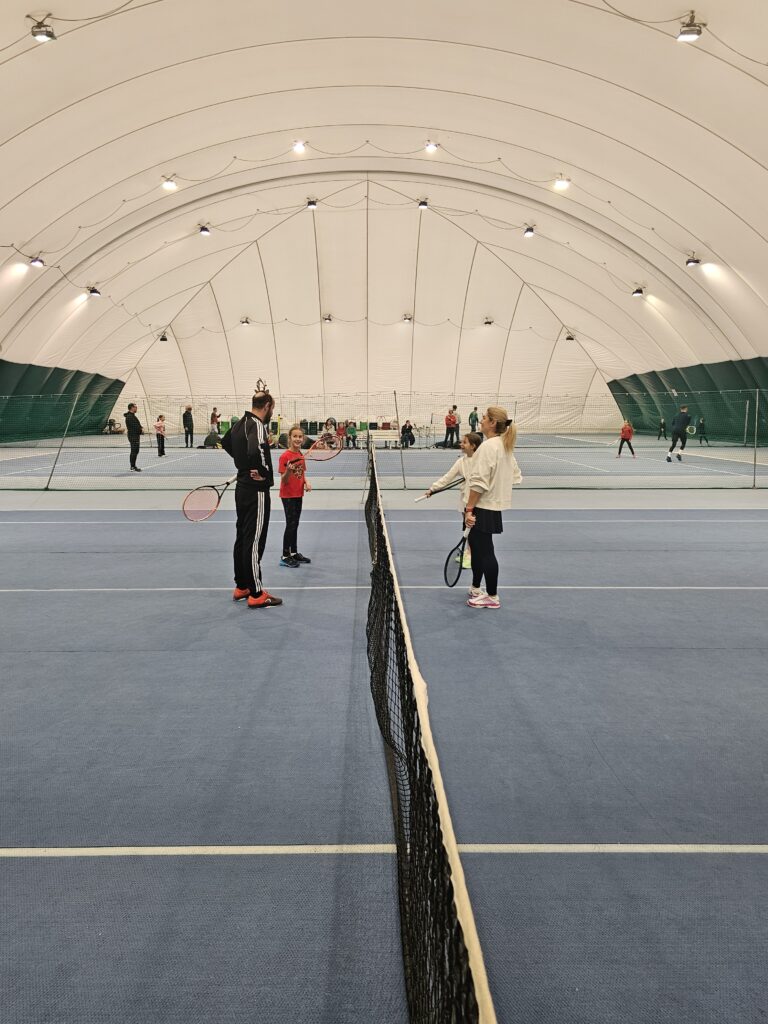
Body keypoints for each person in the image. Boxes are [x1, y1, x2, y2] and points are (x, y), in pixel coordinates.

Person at [221, 385, 282, 608]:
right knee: (254, 541)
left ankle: (242, 586)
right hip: (256, 491)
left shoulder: (239, 424)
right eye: (272, 408)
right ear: (267, 406)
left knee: (242, 537)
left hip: (242, 489)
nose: (272, 412)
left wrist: (244, 466)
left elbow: (225, 442)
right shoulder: (257, 425)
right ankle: (256, 593)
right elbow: (255, 450)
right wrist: (261, 472)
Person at [464, 407, 522, 609]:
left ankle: (492, 596)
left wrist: (469, 509)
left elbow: (479, 483)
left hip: (482, 506)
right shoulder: (504, 446)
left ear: (492, 423)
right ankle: (476, 588)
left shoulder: (488, 447)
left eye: (484, 418)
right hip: (491, 506)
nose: (481, 421)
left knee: (486, 552)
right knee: (477, 549)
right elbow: (516, 476)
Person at [424, 432, 483, 569]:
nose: (461, 444)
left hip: (478, 500)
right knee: (467, 528)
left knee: (475, 530)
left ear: (473, 446)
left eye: (464, 442)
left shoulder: (482, 461)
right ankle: (469, 552)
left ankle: (473, 555)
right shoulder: (461, 462)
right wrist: (433, 489)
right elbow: (447, 477)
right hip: (464, 500)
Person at [278, 425, 313, 568]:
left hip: (298, 493)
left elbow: (302, 473)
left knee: (295, 523)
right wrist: (287, 471)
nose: (298, 439)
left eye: (300, 437)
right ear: (290, 438)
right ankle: (285, 556)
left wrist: (306, 482)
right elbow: (284, 480)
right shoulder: (284, 456)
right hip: (288, 495)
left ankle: (294, 552)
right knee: (290, 524)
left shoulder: (300, 455)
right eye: (295, 436)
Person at [124, 403, 143, 472]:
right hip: (133, 436)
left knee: (136, 451)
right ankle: (132, 466)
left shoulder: (133, 416)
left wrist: (141, 428)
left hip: (135, 435)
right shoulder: (129, 417)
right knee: (134, 451)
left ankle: (133, 466)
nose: (136, 408)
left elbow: (137, 425)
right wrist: (140, 430)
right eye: (135, 407)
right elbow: (134, 426)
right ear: (132, 408)